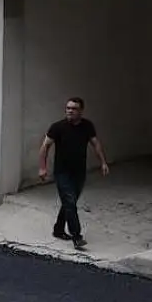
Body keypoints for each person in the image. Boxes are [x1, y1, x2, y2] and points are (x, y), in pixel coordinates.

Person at [38, 96, 109, 250]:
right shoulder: (57, 127)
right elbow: (45, 147)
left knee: (69, 203)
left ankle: (58, 229)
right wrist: (42, 167)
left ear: (81, 111)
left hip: (79, 172)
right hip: (62, 172)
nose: (70, 111)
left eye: (74, 108)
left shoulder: (87, 126)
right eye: (68, 108)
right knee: (70, 202)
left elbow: (96, 144)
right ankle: (77, 236)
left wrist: (103, 162)